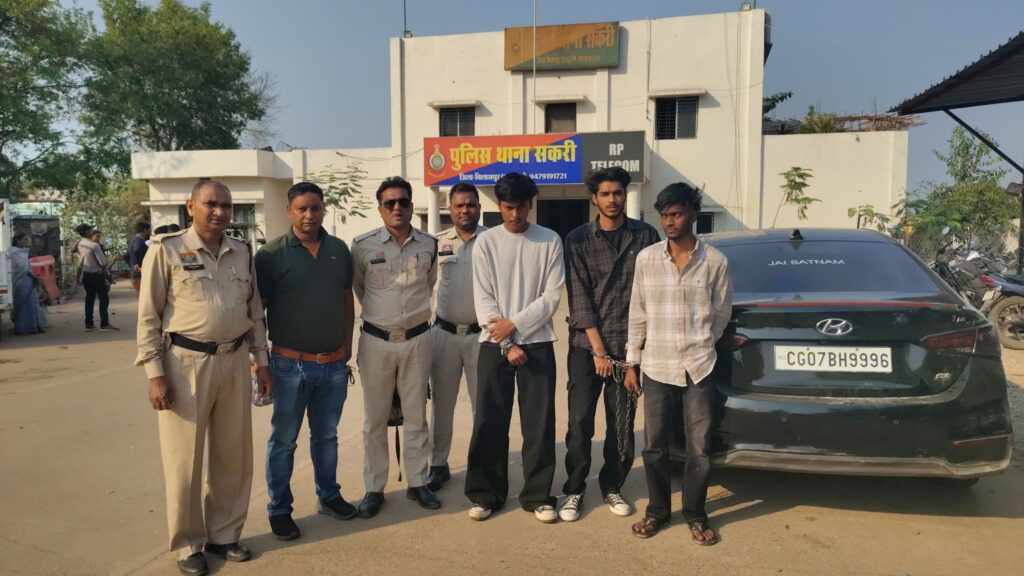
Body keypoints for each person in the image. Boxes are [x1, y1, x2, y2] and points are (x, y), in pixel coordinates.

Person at [136, 180, 273, 576]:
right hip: (185, 364)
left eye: (226, 206)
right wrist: (154, 374)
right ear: (190, 206)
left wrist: (261, 361)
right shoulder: (166, 250)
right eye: (211, 204)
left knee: (233, 455)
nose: (219, 212)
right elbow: (148, 317)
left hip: (234, 360)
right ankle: (187, 545)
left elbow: (254, 312)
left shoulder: (242, 252)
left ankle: (224, 534)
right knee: (184, 461)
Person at [624, 182, 732, 545]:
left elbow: (721, 313)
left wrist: (702, 343)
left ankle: (695, 513)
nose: (669, 221)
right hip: (656, 365)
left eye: (677, 214)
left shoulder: (715, 261)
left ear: (693, 214)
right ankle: (657, 511)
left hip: (699, 366)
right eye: (665, 215)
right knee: (655, 445)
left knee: (699, 448)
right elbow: (637, 313)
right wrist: (631, 361)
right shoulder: (647, 259)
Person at [255, 182, 357, 541]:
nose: (309, 215)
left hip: (333, 364)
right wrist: (259, 360)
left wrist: (347, 346)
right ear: (289, 211)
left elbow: (346, 299)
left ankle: (328, 495)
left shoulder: (339, 250)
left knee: (326, 436)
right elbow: (257, 311)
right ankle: (279, 509)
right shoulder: (270, 255)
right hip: (289, 366)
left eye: (315, 208)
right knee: (284, 440)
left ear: (324, 209)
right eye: (302, 209)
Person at [558, 167, 660, 522]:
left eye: (617, 193)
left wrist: (634, 356)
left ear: (624, 195)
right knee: (579, 424)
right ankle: (574, 490)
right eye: (605, 194)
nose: (612, 199)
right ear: (594, 198)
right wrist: (599, 351)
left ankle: (612, 485)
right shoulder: (578, 240)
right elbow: (579, 298)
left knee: (621, 426)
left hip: (629, 348)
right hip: (587, 348)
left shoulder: (645, 236)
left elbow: (650, 294)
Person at [464, 172, 565, 523]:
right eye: (508, 207)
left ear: (530, 204)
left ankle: (538, 495)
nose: (515, 215)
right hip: (494, 343)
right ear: (499, 205)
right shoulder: (486, 242)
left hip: (537, 342)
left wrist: (516, 325)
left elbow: (551, 297)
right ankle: (485, 494)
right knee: (489, 421)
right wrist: (507, 341)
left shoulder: (549, 240)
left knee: (539, 423)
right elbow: (483, 298)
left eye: (521, 207)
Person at [351, 176, 440, 518]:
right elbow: (360, 289)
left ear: (412, 205)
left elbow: (429, 284)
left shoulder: (429, 245)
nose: (397, 208)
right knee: (375, 420)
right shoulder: (362, 246)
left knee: (416, 415)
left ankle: (418, 481)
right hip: (377, 341)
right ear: (380, 208)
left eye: (403, 201)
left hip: (417, 340)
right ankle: (374, 487)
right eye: (390, 203)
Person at [427, 182, 487, 491]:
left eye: (471, 204)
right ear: (449, 209)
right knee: (442, 404)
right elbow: (425, 286)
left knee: (483, 405)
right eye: (459, 205)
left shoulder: (492, 241)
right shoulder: (436, 243)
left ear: (479, 207)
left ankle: (481, 463)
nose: (465, 210)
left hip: (482, 336)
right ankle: (438, 464)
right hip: (444, 334)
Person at [75, 223, 117, 331]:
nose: (92, 231)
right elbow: (103, 263)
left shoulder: (80, 244)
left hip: (86, 274)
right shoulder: (94, 245)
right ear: (86, 232)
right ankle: (104, 324)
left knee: (89, 298)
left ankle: (89, 324)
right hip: (96, 275)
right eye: (90, 230)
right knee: (103, 298)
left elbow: (79, 260)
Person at [11, 232, 45, 335]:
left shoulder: (22, 252)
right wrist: (35, 277)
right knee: (23, 304)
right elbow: (22, 269)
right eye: (25, 239)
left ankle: (33, 326)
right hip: (21, 282)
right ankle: (23, 328)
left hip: (28, 280)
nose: (28, 241)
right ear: (18, 241)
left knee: (31, 303)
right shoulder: (15, 253)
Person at [129, 222, 152, 294]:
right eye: (149, 230)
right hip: (140, 277)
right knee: (145, 298)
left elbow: (126, 256)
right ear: (145, 230)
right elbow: (137, 249)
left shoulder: (135, 240)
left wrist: (132, 265)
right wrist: (136, 265)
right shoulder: (138, 241)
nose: (150, 233)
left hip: (136, 276)